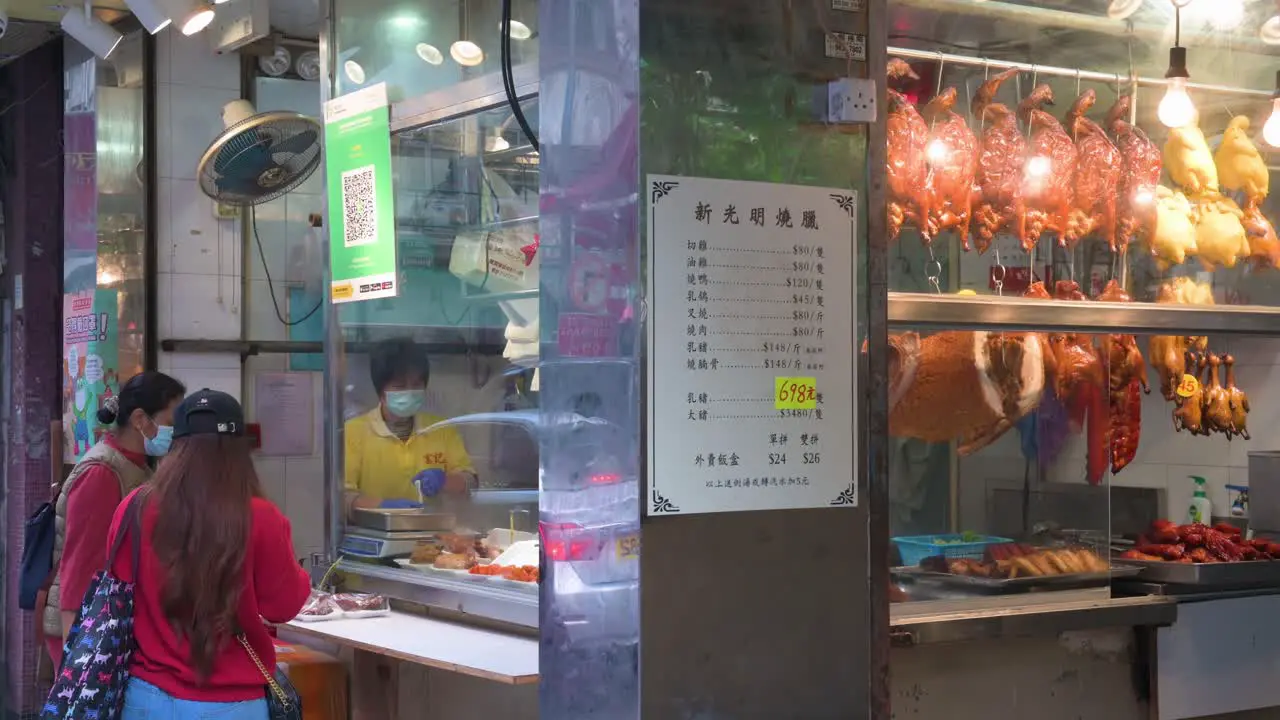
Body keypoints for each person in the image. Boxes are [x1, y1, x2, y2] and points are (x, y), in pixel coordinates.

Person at [109, 389, 311, 718]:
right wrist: (300, 574)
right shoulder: (261, 517)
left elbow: (119, 589)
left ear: (176, 444)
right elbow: (284, 606)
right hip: (233, 705)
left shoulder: (133, 508)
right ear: (240, 450)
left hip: (145, 698)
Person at [42, 371, 185, 668]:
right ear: (140, 420)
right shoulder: (102, 473)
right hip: (87, 636)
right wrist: (77, 664)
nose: (174, 433)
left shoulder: (137, 467)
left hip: (109, 628)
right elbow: (79, 570)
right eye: (170, 423)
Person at [345, 338, 477, 511]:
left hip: (431, 532)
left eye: (416, 385)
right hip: (374, 533)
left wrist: (445, 480)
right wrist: (383, 507)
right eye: (399, 386)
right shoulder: (353, 432)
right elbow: (342, 497)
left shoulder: (442, 429)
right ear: (381, 392)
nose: (409, 392)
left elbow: (470, 482)